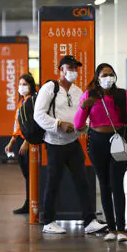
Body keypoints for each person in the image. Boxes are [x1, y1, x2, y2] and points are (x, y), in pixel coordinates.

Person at [75, 63, 127, 243]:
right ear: (97, 78)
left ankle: (122, 228)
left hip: (119, 141)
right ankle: (111, 227)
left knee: (116, 184)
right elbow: (78, 125)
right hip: (97, 143)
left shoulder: (122, 95)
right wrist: (84, 106)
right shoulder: (89, 95)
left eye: (110, 74)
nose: (108, 78)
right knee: (105, 184)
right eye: (104, 75)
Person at [33, 55, 107, 235]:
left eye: (75, 67)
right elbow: (39, 115)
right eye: (70, 67)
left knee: (82, 181)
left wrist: (82, 127)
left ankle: (89, 220)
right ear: (61, 69)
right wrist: (59, 124)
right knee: (53, 182)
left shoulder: (77, 91)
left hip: (73, 142)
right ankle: (48, 221)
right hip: (54, 143)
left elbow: (84, 116)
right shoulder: (49, 88)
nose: (73, 71)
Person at [5, 74, 37, 214]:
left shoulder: (33, 102)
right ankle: (28, 201)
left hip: (27, 141)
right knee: (26, 174)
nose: (22, 87)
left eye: (25, 84)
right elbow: (17, 124)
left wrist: (27, 142)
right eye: (20, 84)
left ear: (31, 86)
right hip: (18, 139)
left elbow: (34, 124)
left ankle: (31, 202)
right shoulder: (22, 102)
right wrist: (12, 140)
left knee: (30, 173)